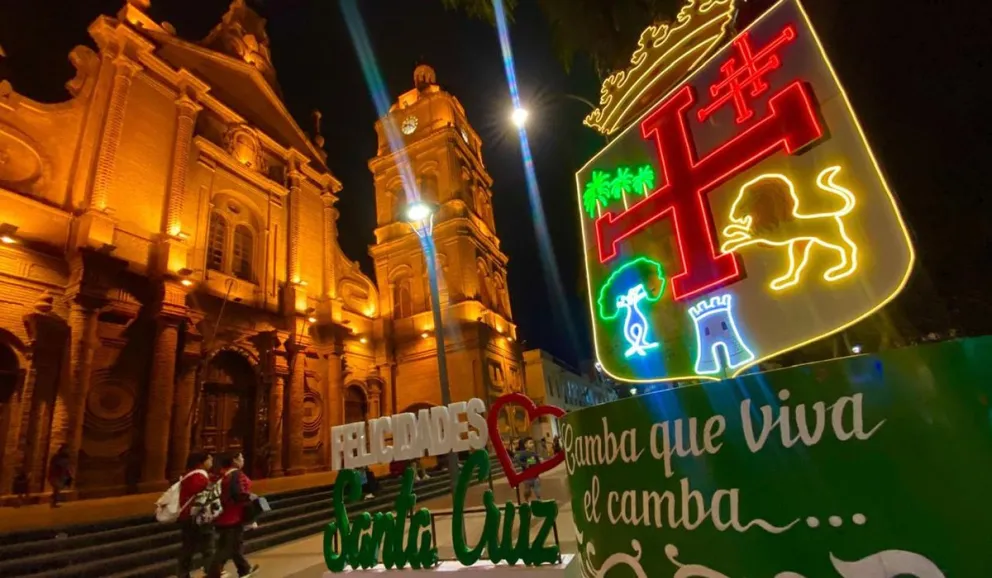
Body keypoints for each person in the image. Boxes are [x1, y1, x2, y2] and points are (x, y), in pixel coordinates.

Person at [206, 452, 258, 578]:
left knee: (233, 545)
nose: (243, 460)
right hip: (233, 515)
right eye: (241, 457)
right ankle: (212, 574)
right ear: (234, 460)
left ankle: (244, 569)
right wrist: (251, 498)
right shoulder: (235, 475)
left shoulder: (222, 474)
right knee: (227, 547)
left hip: (223, 515)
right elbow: (238, 494)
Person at [177, 452, 215, 578]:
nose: (211, 461)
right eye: (209, 459)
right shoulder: (199, 476)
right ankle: (212, 574)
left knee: (188, 547)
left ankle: (183, 574)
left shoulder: (188, 474)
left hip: (187, 516)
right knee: (208, 547)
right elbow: (202, 495)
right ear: (202, 461)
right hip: (198, 516)